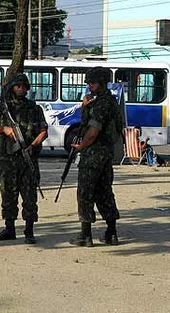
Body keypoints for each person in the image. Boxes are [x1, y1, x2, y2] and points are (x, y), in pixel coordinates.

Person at [0, 74, 48, 244]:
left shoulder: (35, 109)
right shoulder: (2, 109)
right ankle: (9, 228)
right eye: (18, 86)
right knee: (8, 195)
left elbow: (43, 131)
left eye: (24, 86)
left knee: (29, 196)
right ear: (12, 87)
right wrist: (4, 129)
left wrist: (32, 146)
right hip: (8, 160)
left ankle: (29, 230)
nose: (21, 89)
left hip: (28, 160)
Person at [69, 67, 122, 247]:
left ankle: (85, 235)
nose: (89, 86)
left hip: (93, 154)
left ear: (101, 82)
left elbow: (93, 131)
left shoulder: (100, 104)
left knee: (85, 192)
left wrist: (81, 145)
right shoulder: (111, 101)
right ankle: (111, 233)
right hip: (106, 154)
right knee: (105, 192)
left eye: (92, 83)